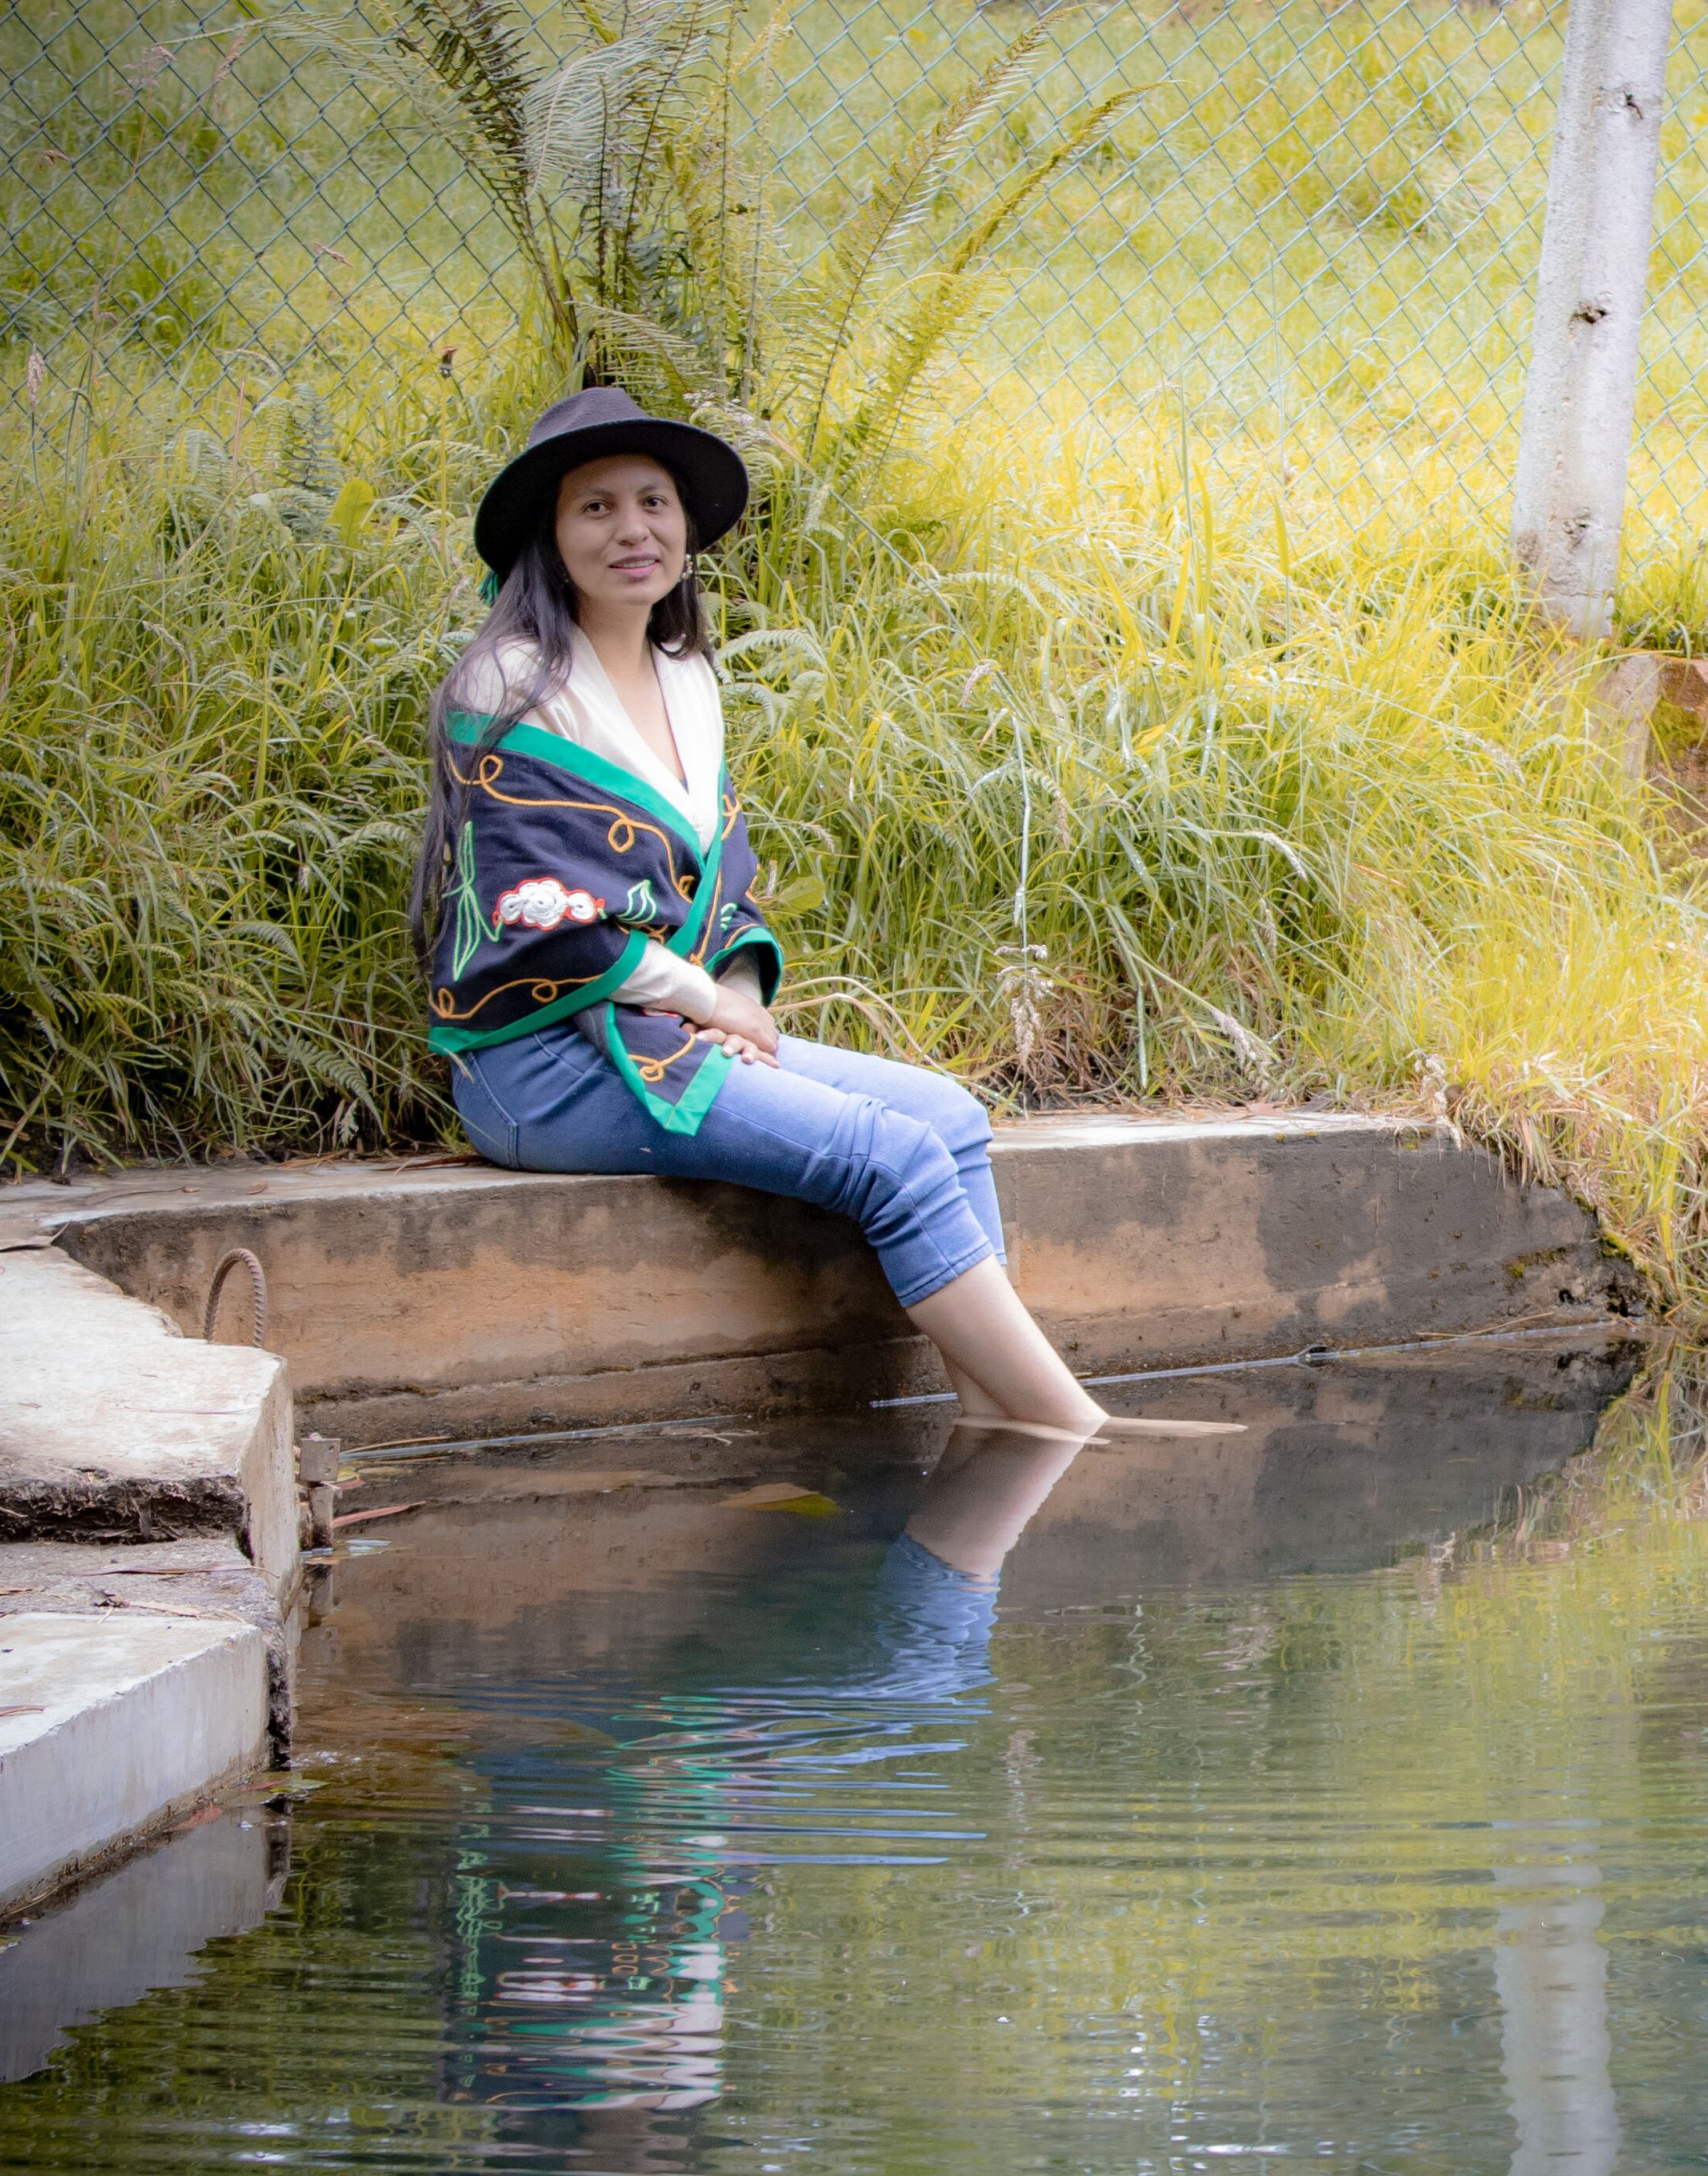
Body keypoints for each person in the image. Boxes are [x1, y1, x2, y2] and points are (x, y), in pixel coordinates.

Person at [418, 386, 1221, 1442]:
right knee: (890, 1160)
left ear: (686, 526)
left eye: (654, 502)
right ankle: (1074, 1429)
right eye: (596, 507)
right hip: (543, 1061)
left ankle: (995, 1417)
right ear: (549, 536)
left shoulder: (684, 675)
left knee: (948, 1119)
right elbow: (539, 911)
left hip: (660, 1026)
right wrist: (705, 1002)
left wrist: (732, 993)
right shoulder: (512, 684)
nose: (633, 530)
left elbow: (719, 875)